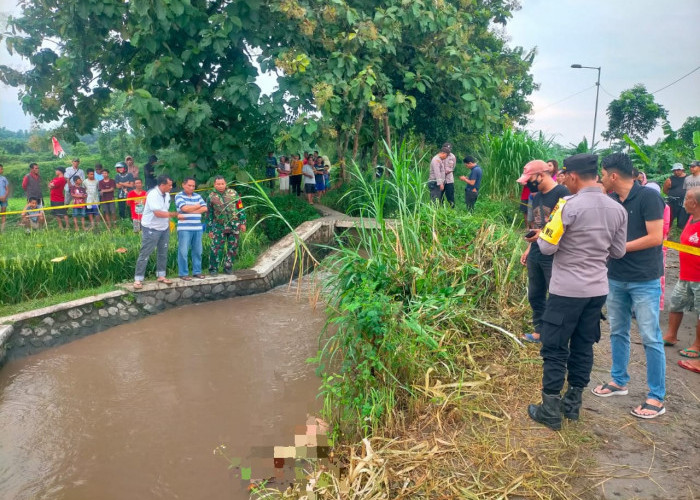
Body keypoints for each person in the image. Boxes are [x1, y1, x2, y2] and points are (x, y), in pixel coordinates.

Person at [527, 153, 627, 430]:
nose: (562, 181)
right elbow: (618, 251)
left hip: (566, 290)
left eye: (564, 176)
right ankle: (572, 406)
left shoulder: (566, 207)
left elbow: (547, 247)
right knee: (583, 346)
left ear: (572, 176)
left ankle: (549, 409)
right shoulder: (617, 209)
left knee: (555, 347)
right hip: (597, 291)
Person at [592, 153, 666, 419]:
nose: (601, 178)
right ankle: (618, 380)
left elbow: (656, 237)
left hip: (644, 279)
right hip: (616, 277)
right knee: (618, 331)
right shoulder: (611, 200)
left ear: (613, 176)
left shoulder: (648, 197)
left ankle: (656, 396)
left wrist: (619, 249)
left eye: (603, 174)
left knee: (650, 337)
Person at [517, 160, 570, 343]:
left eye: (530, 179)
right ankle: (540, 331)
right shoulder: (537, 196)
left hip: (553, 253)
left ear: (541, 175)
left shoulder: (562, 193)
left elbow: (564, 226)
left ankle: (556, 333)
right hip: (536, 250)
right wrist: (529, 247)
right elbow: (537, 224)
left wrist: (542, 235)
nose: (528, 183)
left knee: (554, 293)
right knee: (535, 293)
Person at [662, 187, 700, 369]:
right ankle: (671, 335)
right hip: (685, 274)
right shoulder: (691, 218)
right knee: (676, 303)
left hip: (698, 278)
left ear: (694, 203)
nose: (683, 202)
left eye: (686, 199)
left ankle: (697, 345)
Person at [133, 175, 183, 289]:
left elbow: (165, 210)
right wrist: (175, 214)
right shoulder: (153, 195)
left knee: (163, 252)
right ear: (162, 185)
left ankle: (161, 275)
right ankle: (138, 279)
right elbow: (158, 213)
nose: (171, 187)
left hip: (163, 227)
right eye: (169, 185)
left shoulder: (167, 195)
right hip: (151, 227)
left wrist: (169, 222)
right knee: (145, 253)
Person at [206, 176, 247, 275]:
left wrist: (243, 222)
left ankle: (228, 267)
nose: (220, 186)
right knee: (216, 248)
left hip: (234, 225)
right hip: (219, 226)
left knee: (233, 246)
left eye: (222, 184)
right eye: (218, 184)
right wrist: (210, 229)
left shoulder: (233, 193)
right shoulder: (211, 197)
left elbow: (240, 208)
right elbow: (209, 214)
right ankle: (213, 269)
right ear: (214, 185)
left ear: (226, 184)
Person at [175, 177, 208, 280]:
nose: (192, 187)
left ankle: (197, 272)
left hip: (198, 228)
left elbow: (205, 208)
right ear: (183, 185)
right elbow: (184, 208)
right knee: (183, 252)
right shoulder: (178, 196)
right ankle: (183, 274)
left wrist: (190, 210)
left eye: (193, 186)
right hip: (184, 228)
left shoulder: (198, 196)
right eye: (189, 185)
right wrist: (197, 206)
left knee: (198, 251)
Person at [663, 163, 688, 229]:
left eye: (678, 170)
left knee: (682, 222)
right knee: (669, 219)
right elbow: (665, 190)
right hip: (672, 202)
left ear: (682, 170)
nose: (676, 172)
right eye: (675, 170)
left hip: (684, 203)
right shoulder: (670, 179)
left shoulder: (688, 178)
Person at [442, 143, 457, 208]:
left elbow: (453, 167)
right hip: (440, 180)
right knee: (440, 196)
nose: (448, 150)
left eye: (449, 148)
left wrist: (449, 170)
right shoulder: (440, 156)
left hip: (449, 180)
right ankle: (440, 209)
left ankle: (452, 210)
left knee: (450, 196)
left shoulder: (452, 157)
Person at [0, 164, 9, 232]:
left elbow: (7, 189)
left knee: (3, 213)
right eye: (0, 169)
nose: (1, 170)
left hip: (4, 199)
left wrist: (5, 196)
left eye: (2, 169)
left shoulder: (4, 178)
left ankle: (2, 230)